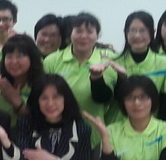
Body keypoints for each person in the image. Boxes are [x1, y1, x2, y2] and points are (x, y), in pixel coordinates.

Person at [42, 11, 116, 149]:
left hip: (94, 135)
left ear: (98, 35)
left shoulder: (108, 59)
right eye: (78, 31)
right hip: (57, 133)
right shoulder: (52, 60)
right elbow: (43, 97)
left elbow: (104, 98)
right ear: (70, 34)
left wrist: (96, 78)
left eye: (89, 31)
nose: (83, 36)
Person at [0, 73, 93, 160]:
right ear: (37, 101)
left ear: (65, 99)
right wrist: (5, 139)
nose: (50, 103)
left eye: (56, 97)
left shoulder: (82, 129)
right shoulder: (26, 124)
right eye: (44, 98)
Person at [86, 76, 166, 160]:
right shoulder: (111, 131)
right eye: (130, 98)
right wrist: (105, 139)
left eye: (143, 97)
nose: (137, 103)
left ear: (153, 100)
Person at [108, 11, 166, 123]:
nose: (137, 35)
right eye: (132, 31)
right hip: (117, 124)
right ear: (126, 33)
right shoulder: (113, 62)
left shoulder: (165, 63)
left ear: (152, 32)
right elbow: (108, 98)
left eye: (142, 31)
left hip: (150, 126)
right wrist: (122, 78)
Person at [0, 34, 43, 127]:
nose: (14, 61)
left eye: (20, 56)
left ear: (32, 58)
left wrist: (15, 100)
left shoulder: (42, 83)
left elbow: (40, 120)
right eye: (9, 56)